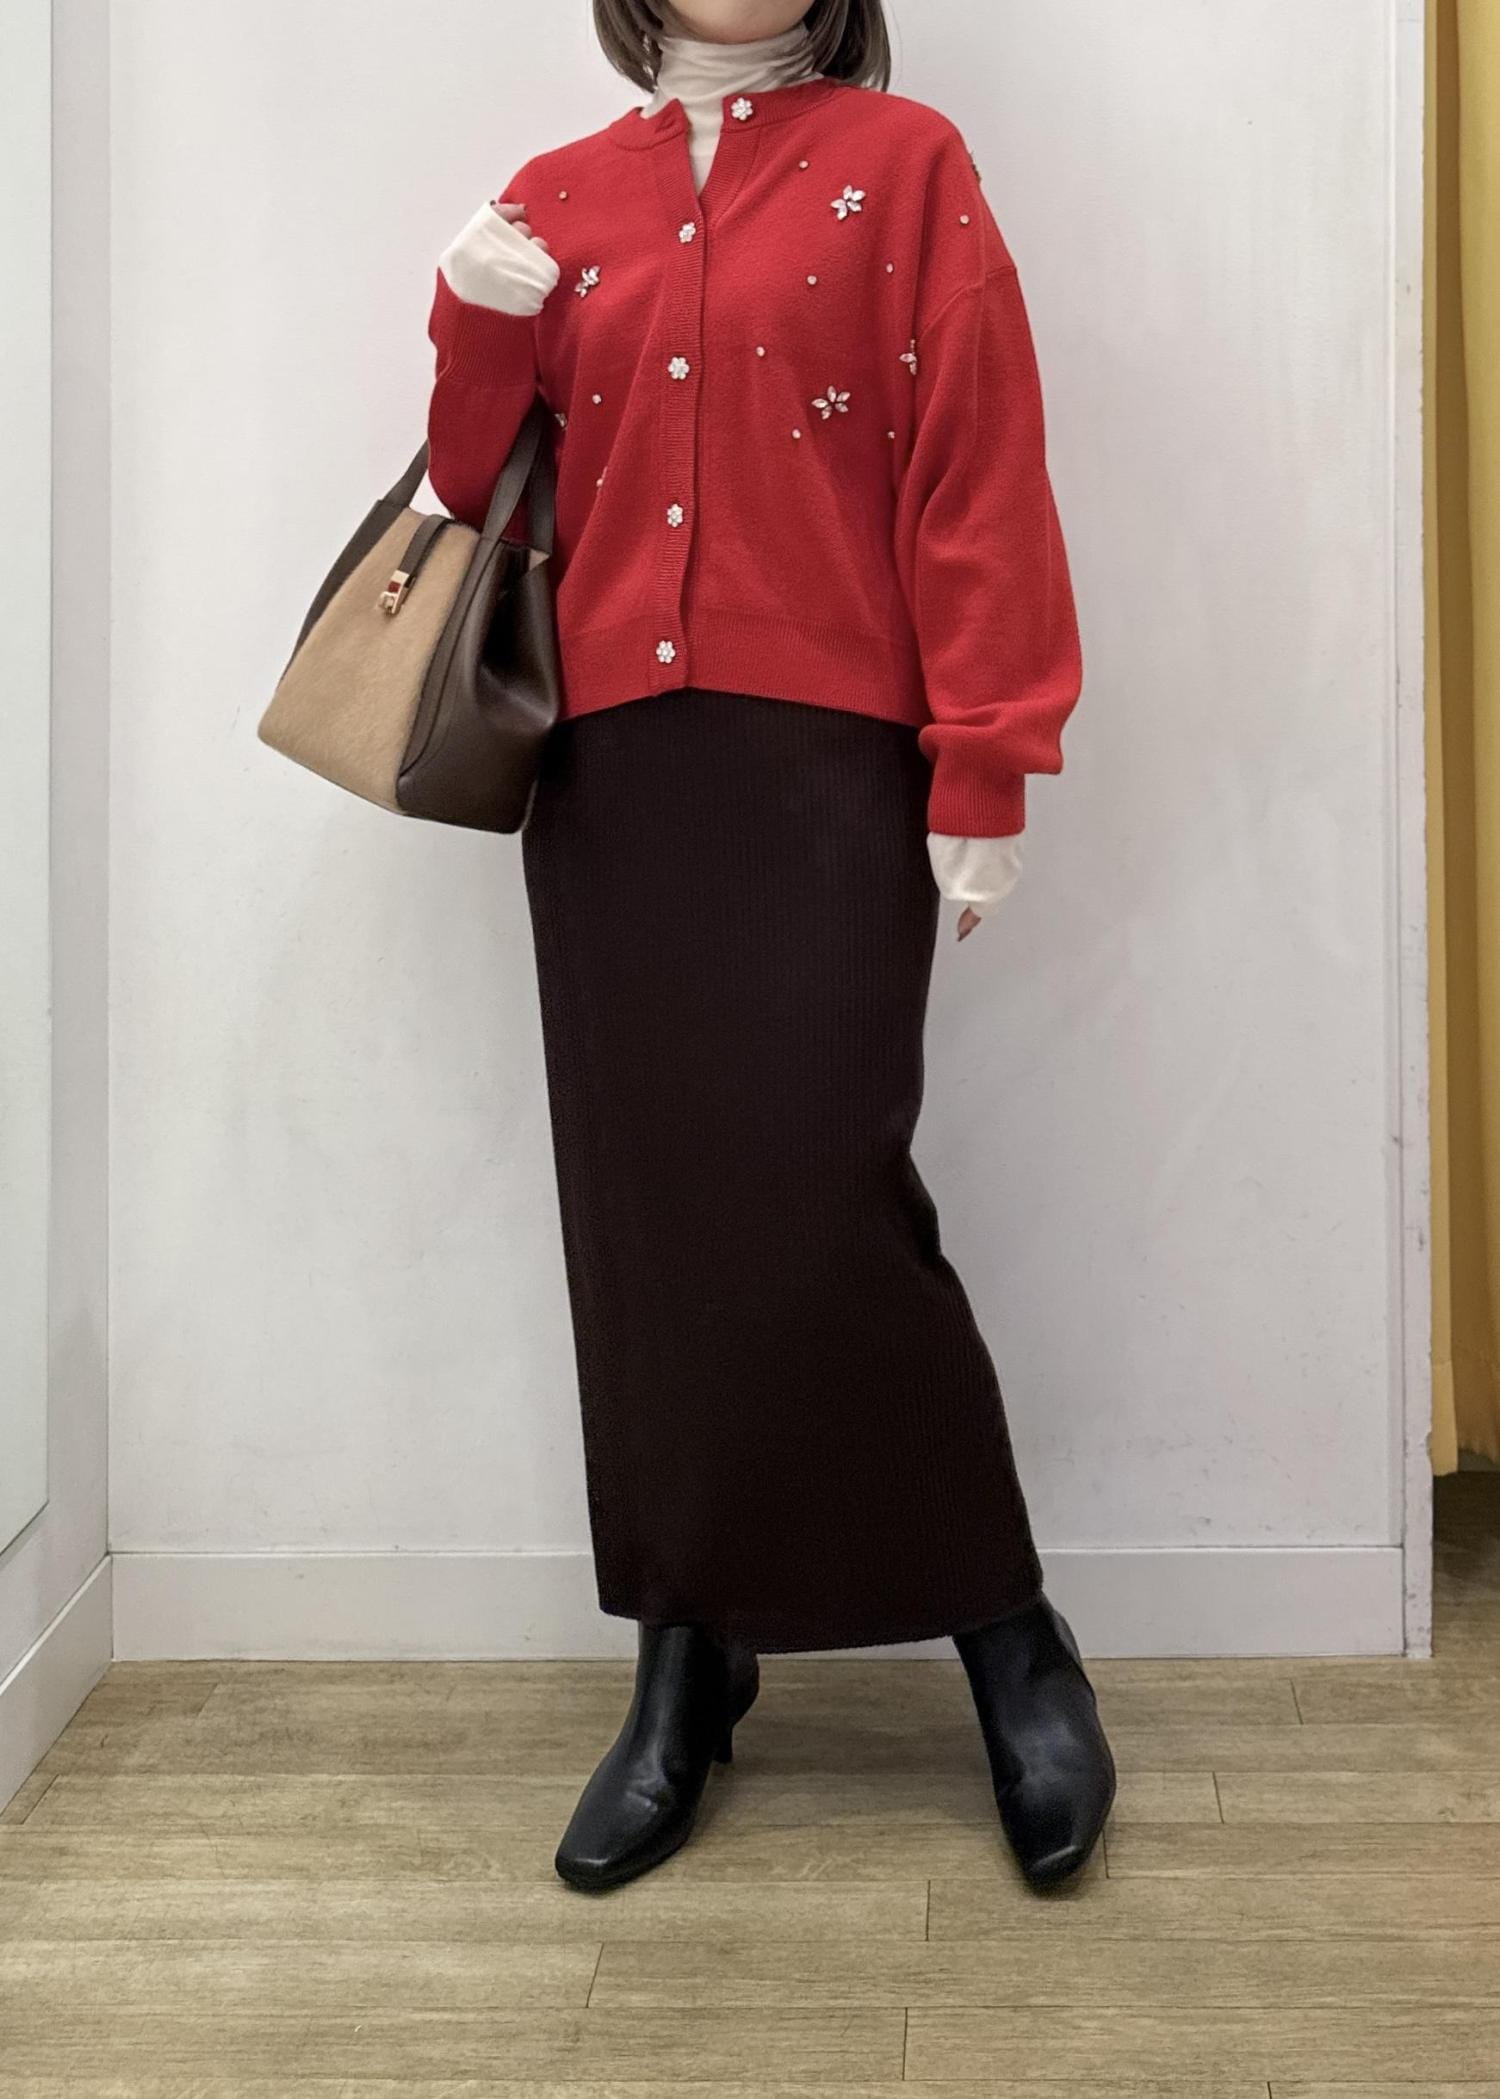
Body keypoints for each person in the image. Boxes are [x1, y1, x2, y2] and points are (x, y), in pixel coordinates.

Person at [426, 0, 1115, 1894]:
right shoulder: (559, 195)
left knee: (827, 1201)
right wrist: (475, 317)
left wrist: (987, 756)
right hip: (611, 771)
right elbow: (473, 486)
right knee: (648, 1218)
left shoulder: (908, 167)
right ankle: (686, 1648)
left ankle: (1008, 1624)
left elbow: (978, 461)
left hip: (829, 759)